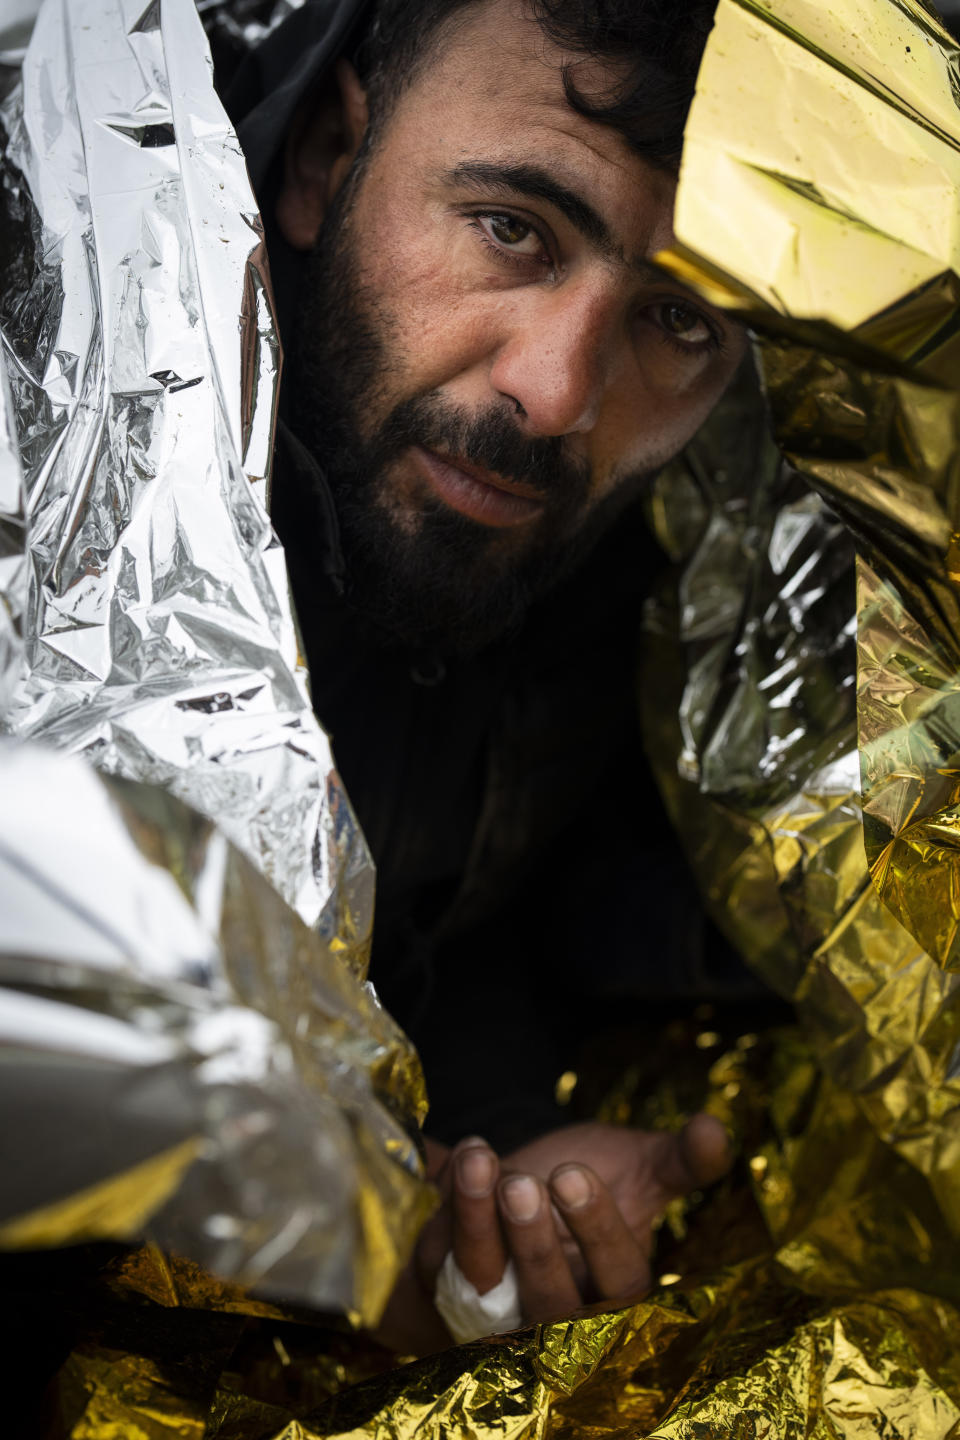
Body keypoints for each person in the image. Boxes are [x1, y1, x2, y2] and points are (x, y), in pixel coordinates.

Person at [226, 0, 752, 1347]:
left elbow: (460, 912)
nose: (560, 392)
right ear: (325, 158)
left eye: (675, 321)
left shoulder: (594, 572)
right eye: (514, 229)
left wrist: (499, 1147)